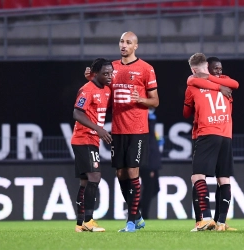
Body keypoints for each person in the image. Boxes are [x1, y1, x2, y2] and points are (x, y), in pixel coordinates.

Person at [85, 31, 159, 232]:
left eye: (128, 42)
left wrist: (140, 100)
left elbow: (155, 101)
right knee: (121, 173)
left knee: (133, 172)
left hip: (138, 129)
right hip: (117, 129)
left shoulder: (146, 69)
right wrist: (92, 79)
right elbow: (102, 94)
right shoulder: (112, 69)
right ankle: (138, 216)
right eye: (121, 41)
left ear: (136, 46)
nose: (123, 45)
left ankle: (131, 221)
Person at [183, 53, 239, 231]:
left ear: (193, 69)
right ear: (207, 67)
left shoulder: (193, 84)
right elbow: (235, 85)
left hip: (206, 133)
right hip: (226, 135)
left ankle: (204, 218)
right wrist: (218, 86)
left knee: (197, 176)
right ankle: (221, 223)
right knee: (223, 178)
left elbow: (186, 113)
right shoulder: (225, 84)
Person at [72, 58, 113, 232]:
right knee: (95, 177)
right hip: (84, 139)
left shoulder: (106, 89)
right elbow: (76, 113)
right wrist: (99, 130)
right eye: (105, 74)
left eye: (111, 73)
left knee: (84, 182)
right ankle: (89, 221)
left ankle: (80, 224)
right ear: (96, 74)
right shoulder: (87, 90)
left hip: (91, 140)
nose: (109, 76)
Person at [139, 108, 163, 219]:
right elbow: (149, 148)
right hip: (148, 164)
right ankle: (144, 215)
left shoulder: (151, 130)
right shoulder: (146, 129)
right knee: (149, 189)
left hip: (150, 163)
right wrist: (151, 167)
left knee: (155, 188)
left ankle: (136, 207)